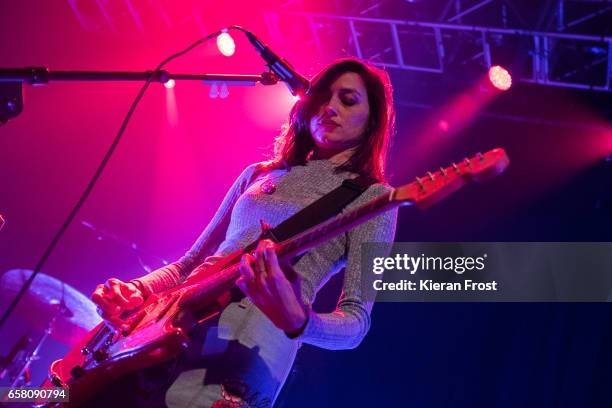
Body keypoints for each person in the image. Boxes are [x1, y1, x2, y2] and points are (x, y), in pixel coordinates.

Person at [91, 57, 398, 407]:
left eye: (347, 100)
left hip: (241, 354)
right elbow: (189, 264)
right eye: (324, 96)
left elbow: (356, 323)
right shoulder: (257, 174)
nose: (329, 107)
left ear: (372, 121)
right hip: (161, 336)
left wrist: (301, 321)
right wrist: (136, 289)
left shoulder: (373, 197)